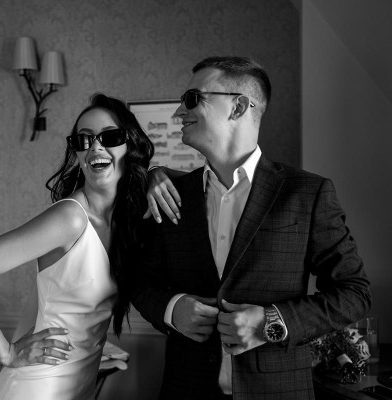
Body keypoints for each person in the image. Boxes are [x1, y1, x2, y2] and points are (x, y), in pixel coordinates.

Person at [131, 56, 371, 399]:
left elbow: (354, 293)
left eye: (192, 99)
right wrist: (172, 309)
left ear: (239, 107)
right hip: (185, 388)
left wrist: (272, 322)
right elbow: (141, 283)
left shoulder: (307, 194)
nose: (179, 112)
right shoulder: (171, 194)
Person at [0, 93, 153, 400]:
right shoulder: (70, 218)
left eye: (109, 137)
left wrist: (158, 175)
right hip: (37, 388)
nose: (95, 147)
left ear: (130, 144)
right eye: (84, 140)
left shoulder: (126, 221)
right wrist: (6, 353)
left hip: (78, 387)